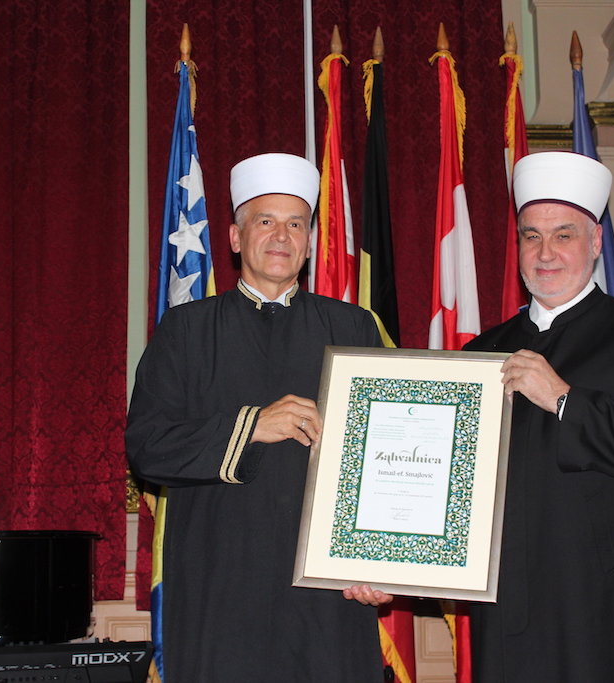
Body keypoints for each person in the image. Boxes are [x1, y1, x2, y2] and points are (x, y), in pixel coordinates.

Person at [126, 153, 391, 682]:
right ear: (234, 237)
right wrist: (252, 427)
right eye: (265, 221)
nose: (281, 236)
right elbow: (148, 447)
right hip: (221, 589)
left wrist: (380, 562)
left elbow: (385, 459)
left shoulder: (354, 328)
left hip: (328, 596)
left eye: (296, 224)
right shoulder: (185, 330)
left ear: (310, 242)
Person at [463, 151, 614, 682]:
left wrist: (564, 399)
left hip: (610, 613)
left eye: (563, 235)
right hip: (509, 610)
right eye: (531, 236)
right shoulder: (480, 353)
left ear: (594, 243)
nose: (545, 253)